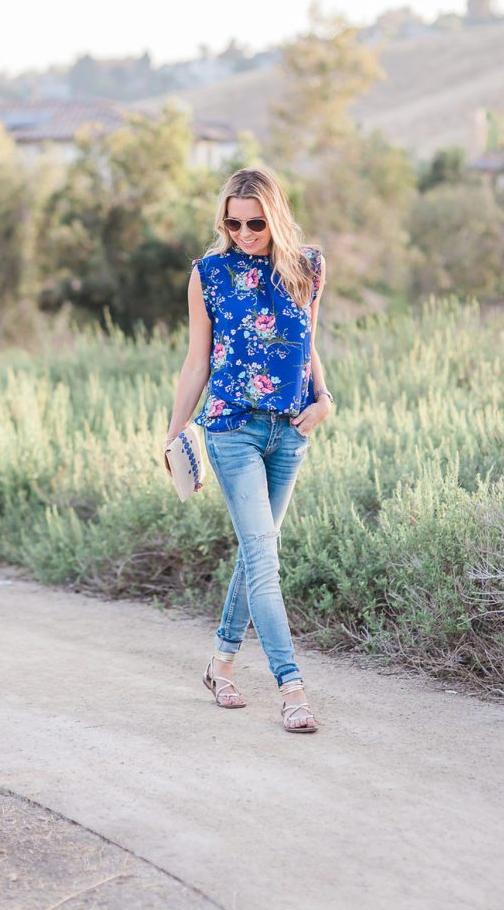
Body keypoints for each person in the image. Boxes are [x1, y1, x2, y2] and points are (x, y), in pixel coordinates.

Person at [164, 166, 333, 733]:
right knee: (265, 557)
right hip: (230, 430)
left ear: (275, 215)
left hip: (289, 432)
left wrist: (325, 398)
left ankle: (221, 664)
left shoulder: (308, 266)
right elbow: (197, 361)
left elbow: (308, 344)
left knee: (255, 551)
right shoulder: (209, 273)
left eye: (255, 222)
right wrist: (173, 433)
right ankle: (292, 688)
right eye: (232, 223)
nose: (244, 233)